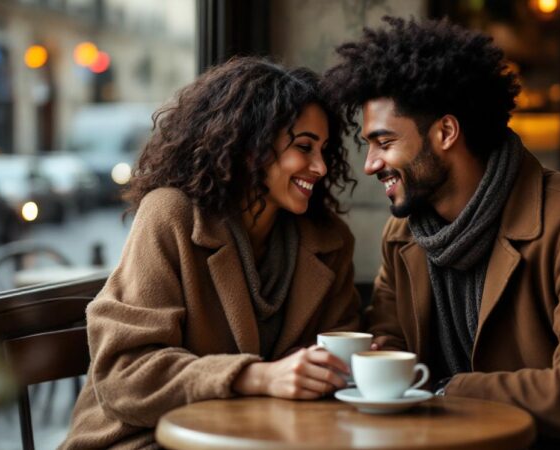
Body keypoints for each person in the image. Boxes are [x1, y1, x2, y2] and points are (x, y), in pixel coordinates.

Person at [324, 17, 560, 449]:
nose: (370, 164)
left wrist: (446, 389)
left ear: (446, 133)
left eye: (384, 143)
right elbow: (394, 341)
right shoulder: (403, 234)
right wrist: (377, 359)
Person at [61, 57, 360, 449]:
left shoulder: (328, 241)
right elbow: (125, 374)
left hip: (265, 437)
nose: (320, 166)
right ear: (252, 147)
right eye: (304, 147)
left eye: (324, 149)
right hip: (143, 438)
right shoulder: (172, 215)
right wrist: (256, 377)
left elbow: (338, 350)